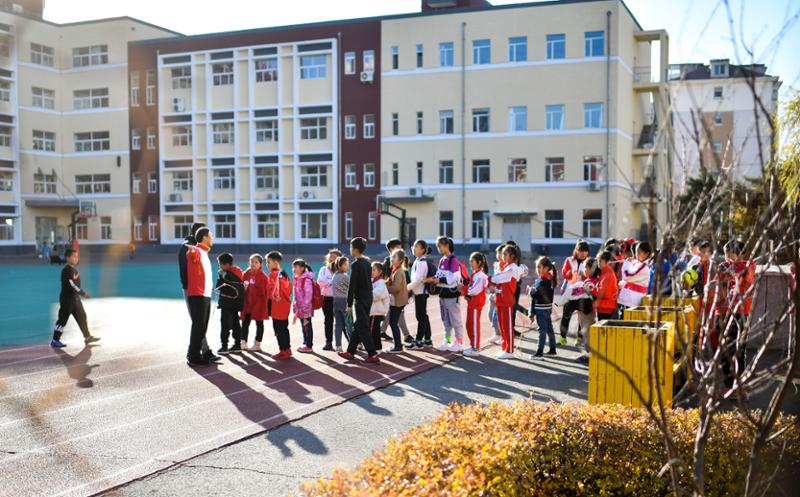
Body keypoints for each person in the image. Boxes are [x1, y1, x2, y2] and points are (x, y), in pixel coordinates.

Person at [715, 240, 755, 399]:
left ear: (740, 253)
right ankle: (728, 385)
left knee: (737, 349)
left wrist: (734, 273)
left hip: (739, 312)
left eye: (730, 253)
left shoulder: (748, 266)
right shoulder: (723, 266)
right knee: (724, 350)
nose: (727, 256)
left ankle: (738, 386)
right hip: (722, 312)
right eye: (725, 253)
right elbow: (717, 286)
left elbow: (747, 280)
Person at [178, 222, 218, 363]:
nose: (213, 238)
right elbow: (192, 256)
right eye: (211, 235)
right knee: (198, 326)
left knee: (202, 327)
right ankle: (193, 356)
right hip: (197, 294)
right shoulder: (197, 251)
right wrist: (192, 251)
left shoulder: (204, 253)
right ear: (204, 237)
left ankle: (196, 354)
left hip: (205, 294)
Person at [339, 237, 380, 364]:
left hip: (361, 299)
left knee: (363, 327)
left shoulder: (356, 264)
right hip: (368, 297)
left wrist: (349, 304)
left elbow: (352, 285)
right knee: (358, 325)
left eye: (351, 247)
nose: (350, 249)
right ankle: (350, 352)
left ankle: (372, 354)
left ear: (356, 249)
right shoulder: (367, 263)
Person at [50, 248, 100, 348]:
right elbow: (72, 285)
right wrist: (83, 293)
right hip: (67, 300)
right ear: (67, 258)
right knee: (62, 320)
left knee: (82, 316)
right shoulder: (66, 270)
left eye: (77, 256)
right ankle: (55, 340)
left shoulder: (74, 270)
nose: (76, 258)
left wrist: (79, 294)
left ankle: (87, 337)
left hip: (75, 299)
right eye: (73, 256)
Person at [426, 236, 466, 352]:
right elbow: (438, 275)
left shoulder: (453, 261)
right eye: (437, 246)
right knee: (446, 320)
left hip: (451, 294)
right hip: (442, 294)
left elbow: (453, 278)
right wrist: (433, 279)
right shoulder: (442, 260)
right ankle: (447, 341)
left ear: (447, 246)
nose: (438, 248)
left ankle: (459, 342)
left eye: (440, 246)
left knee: (455, 319)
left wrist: (438, 280)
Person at [559, 257, 600, 363]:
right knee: (585, 331)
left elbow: (591, 295)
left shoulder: (592, 282)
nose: (584, 270)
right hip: (584, 311)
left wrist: (574, 291)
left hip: (587, 312)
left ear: (592, 269)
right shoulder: (590, 280)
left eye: (586, 268)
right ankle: (588, 354)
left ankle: (589, 356)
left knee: (587, 333)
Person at [489, 244, 523, 359]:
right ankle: (504, 347)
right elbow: (498, 281)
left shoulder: (511, 268)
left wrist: (489, 280)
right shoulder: (506, 267)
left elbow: (496, 279)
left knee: (507, 327)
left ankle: (509, 350)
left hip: (507, 301)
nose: (502, 256)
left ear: (512, 256)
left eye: (505, 254)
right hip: (500, 299)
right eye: (502, 253)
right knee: (502, 326)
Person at [380, 239, 412, 344]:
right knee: (394, 318)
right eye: (398, 247)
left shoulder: (399, 269)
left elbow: (399, 284)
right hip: (394, 296)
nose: (400, 249)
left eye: (401, 247)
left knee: (394, 319)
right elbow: (387, 277)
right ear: (391, 249)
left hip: (398, 296)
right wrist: (386, 284)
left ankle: (399, 341)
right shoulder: (389, 264)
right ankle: (403, 337)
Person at [559, 240, 590, 345]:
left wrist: (584, 274)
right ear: (576, 250)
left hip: (582, 293)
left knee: (581, 317)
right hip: (570, 293)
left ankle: (579, 338)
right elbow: (564, 274)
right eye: (581, 251)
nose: (583, 253)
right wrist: (572, 272)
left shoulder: (589, 261)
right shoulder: (569, 260)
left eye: (585, 251)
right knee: (566, 316)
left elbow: (591, 276)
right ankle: (562, 338)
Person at [215, 253, 244, 355]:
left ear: (226, 264)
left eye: (220, 264)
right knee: (236, 324)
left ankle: (224, 346)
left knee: (225, 325)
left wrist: (220, 276)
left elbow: (219, 286)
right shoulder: (238, 272)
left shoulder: (226, 274)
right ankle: (237, 345)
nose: (220, 266)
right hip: (236, 304)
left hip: (227, 304)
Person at [529, 256, 557, 359]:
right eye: (537, 267)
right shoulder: (549, 280)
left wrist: (531, 291)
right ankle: (552, 350)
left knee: (542, 330)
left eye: (539, 267)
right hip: (547, 308)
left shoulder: (543, 281)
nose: (537, 269)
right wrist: (532, 312)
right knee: (549, 329)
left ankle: (539, 352)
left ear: (546, 268)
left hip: (541, 309)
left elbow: (536, 295)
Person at [407, 239, 433, 349]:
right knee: (423, 316)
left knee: (420, 317)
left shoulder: (422, 263)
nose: (414, 248)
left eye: (416, 246)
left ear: (422, 250)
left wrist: (406, 288)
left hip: (421, 293)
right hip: (419, 292)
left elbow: (417, 281)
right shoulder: (418, 261)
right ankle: (427, 339)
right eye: (413, 246)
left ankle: (419, 341)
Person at [266, 251, 293, 359]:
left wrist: (273, 295)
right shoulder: (284, 273)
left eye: (268, 262)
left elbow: (271, 291)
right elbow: (289, 289)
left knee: (279, 329)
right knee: (284, 328)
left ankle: (283, 350)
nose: (267, 265)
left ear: (275, 262)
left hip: (277, 307)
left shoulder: (274, 275)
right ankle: (287, 349)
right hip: (284, 306)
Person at [241, 254, 270, 352]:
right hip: (247, 304)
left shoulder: (263, 277)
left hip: (259, 305)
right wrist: (244, 289)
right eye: (252, 262)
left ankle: (257, 344)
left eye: (256, 262)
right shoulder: (245, 274)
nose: (253, 264)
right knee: (245, 323)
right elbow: (241, 289)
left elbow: (265, 292)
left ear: (260, 264)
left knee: (259, 324)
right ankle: (243, 343)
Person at [464, 252, 488, 356]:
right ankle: (472, 345)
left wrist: (464, 290)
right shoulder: (475, 274)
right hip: (471, 303)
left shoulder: (480, 276)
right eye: (470, 261)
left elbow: (474, 290)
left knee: (474, 326)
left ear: (479, 262)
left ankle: (475, 348)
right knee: (469, 325)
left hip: (476, 304)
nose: (470, 263)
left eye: (472, 261)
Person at [385, 249, 409, 353]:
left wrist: (385, 288)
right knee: (393, 322)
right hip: (396, 300)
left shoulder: (399, 271)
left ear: (400, 260)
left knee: (393, 322)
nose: (391, 258)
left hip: (398, 301)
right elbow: (393, 284)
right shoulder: (395, 270)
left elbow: (396, 288)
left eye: (394, 257)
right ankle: (398, 345)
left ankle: (398, 346)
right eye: (391, 256)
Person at [618, 241, 652, 310]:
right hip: (631, 300)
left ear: (646, 254)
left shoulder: (644, 266)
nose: (636, 255)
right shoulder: (640, 264)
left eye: (639, 252)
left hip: (633, 301)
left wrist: (627, 263)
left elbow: (627, 277)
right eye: (636, 252)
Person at [318, 248, 340, 351]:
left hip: (339, 299)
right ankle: (329, 342)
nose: (332, 259)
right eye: (331, 257)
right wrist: (331, 282)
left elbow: (342, 284)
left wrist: (328, 283)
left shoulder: (341, 270)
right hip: (326, 298)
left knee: (341, 322)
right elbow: (320, 282)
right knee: (328, 321)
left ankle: (349, 343)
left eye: (335, 257)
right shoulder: (323, 269)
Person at [293, 259, 315, 353]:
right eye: (293, 267)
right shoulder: (297, 278)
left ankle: (309, 345)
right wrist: (294, 304)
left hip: (305, 308)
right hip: (299, 308)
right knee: (303, 326)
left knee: (307, 326)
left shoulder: (306, 279)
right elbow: (295, 293)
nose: (294, 269)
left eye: (296, 267)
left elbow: (308, 295)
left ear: (302, 268)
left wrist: (305, 308)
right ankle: (305, 342)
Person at [369, 261, 390, 352]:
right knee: (374, 329)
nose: (372, 272)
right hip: (374, 310)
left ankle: (377, 348)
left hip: (376, 310)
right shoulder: (374, 281)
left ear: (380, 272)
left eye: (374, 270)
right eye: (371, 270)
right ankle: (376, 347)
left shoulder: (380, 283)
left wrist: (366, 294)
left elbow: (376, 295)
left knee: (374, 330)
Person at [331, 256, 350, 352]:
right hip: (344, 301)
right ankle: (352, 344)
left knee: (338, 324)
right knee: (349, 324)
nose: (347, 266)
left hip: (336, 301)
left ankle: (338, 346)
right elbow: (352, 287)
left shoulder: (335, 276)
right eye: (346, 264)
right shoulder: (344, 277)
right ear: (340, 266)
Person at [596, 250, 619, 320]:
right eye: (598, 260)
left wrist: (591, 289)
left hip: (606, 309)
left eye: (600, 261)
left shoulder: (608, 274)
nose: (598, 263)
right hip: (604, 307)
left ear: (607, 262)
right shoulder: (605, 272)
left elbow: (603, 293)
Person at [488, 244, 504, 345]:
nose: (498, 255)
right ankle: (497, 334)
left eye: (501, 253)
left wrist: (497, 290)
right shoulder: (496, 265)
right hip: (494, 294)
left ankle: (501, 336)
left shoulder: (506, 267)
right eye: (497, 253)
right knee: (490, 314)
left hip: (500, 295)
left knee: (497, 317)